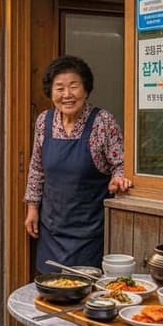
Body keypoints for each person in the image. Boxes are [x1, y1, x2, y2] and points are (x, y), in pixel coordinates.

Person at [23, 56, 132, 272]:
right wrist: (32, 208)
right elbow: (37, 169)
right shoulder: (44, 122)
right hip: (51, 228)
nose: (67, 95)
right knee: (51, 291)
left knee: (86, 293)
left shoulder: (102, 121)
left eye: (74, 86)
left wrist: (118, 179)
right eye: (59, 88)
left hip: (89, 232)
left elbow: (120, 164)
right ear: (51, 92)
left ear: (86, 89)